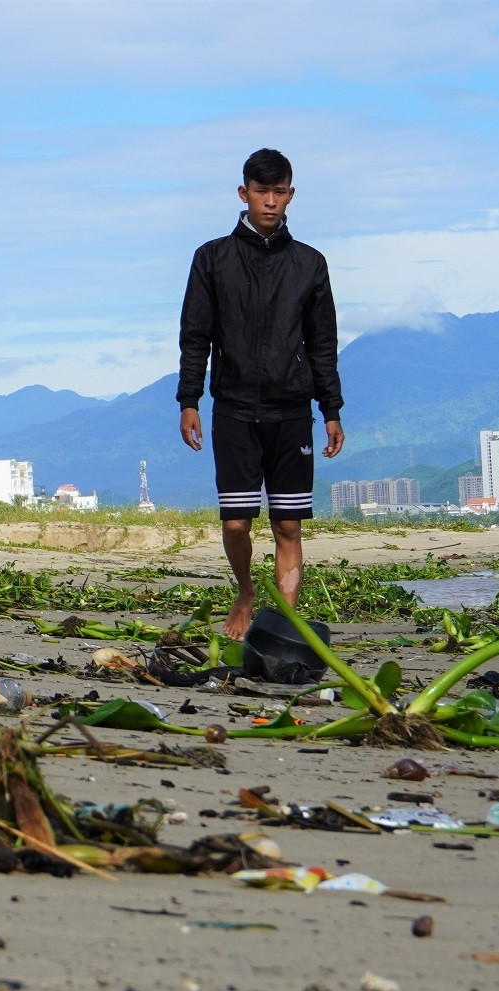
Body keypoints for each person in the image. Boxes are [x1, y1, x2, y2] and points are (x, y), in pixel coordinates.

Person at [177, 147, 345, 641]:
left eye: (278, 192)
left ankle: (286, 626)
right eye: (260, 191)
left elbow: (322, 343)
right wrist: (189, 399)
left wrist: (330, 408)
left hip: (292, 412)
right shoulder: (211, 259)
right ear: (243, 193)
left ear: (290, 195)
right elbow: (195, 335)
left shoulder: (310, 264)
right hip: (232, 408)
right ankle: (247, 593)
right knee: (236, 525)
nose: (269, 202)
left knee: (288, 526)